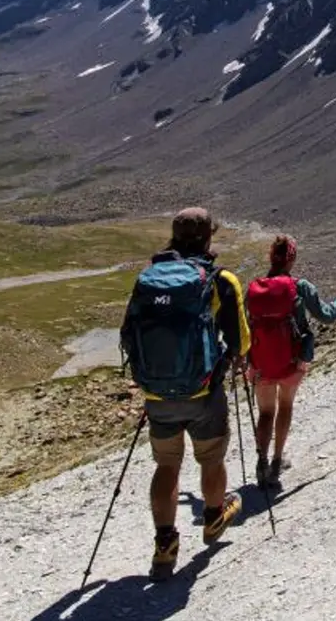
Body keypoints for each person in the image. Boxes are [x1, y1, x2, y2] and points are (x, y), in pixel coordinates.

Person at [119, 206, 251, 581]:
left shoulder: (149, 280)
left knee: (166, 465)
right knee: (210, 457)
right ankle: (213, 518)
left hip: (158, 396)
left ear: (174, 237)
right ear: (209, 236)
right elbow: (241, 342)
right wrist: (228, 362)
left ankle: (164, 544)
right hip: (204, 391)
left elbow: (129, 333)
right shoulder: (221, 279)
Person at [244, 234, 336, 492]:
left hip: (261, 364)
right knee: (285, 406)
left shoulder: (253, 289)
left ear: (270, 257)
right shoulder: (300, 286)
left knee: (265, 413)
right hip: (292, 363)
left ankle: (260, 462)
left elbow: (245, 327)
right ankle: (276, 462)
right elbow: (327, 315)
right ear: (292, 258)